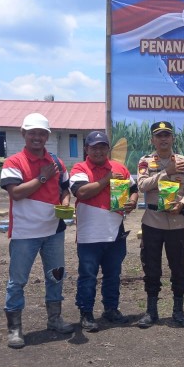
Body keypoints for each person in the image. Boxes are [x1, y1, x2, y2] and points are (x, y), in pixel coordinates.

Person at [0, 112, 74, 348]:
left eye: (42, 133)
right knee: (18, 280)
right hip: (25, 233)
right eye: (32, 133)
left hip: (53, 230)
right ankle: (15, 329)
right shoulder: (13, 163)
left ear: (47, 136)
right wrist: (42, 177)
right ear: (23, 134)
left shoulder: (56, 162)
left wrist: (65, 202)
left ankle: (54, 319)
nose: (37, 137)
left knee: (56, 276)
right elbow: (16, 193)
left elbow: (64, 189)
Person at [70, 131, 138, 331]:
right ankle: (86, 312)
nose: (98, 151)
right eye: (94, 147)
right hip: (89, 233)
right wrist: (106, 179)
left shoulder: (120, 168)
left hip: (115, 230)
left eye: (102, 147)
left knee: (113, 273)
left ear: (108, 149)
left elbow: (133, 189)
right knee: (88, 274)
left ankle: (111, 309)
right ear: (86, 149)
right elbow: (81, 192)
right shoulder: (80, 168)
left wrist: (132, 202)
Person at [136, 121, 184, 328]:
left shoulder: (183, 162)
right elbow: (142, 185)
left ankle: (178, 311)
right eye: (159, 135)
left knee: (178, 268)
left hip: (177, 222)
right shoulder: (145, 162)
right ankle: (151, 311)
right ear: (153, 140)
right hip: (152, 222)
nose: (163, 139)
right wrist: (166, 172)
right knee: (151, 268)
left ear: (172, 138)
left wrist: (183, 203)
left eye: (167, 135)